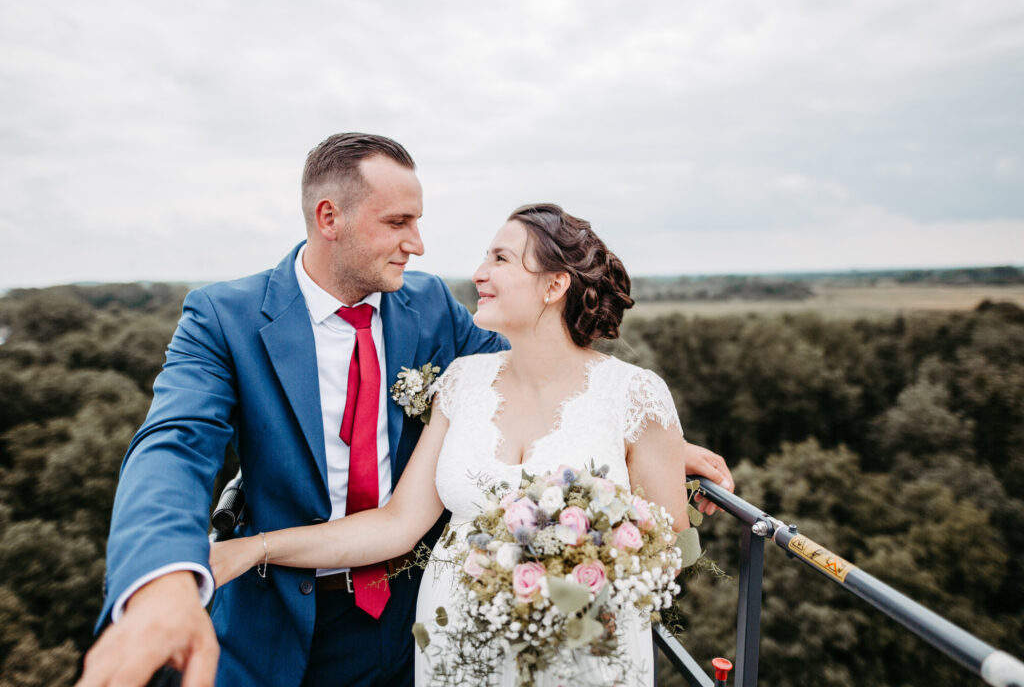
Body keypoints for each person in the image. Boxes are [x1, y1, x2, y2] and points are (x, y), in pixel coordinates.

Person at [77, 136, 733, 687]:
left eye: (418, 222)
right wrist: (162, 578)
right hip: (272, 619)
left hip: (408, 624)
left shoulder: (432, 309)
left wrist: (656, 444)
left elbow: (553, 380)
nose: (418, 244)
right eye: (398, 223)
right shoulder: (224, 317)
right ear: (329, 218)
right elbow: (171, 448)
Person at [210, 203, 709, 686]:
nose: (479, 274)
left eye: (501, 259)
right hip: (457, 651)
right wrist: (255, 548)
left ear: (555, 285)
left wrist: (574, 573)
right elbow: (396, 525)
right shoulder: (462, 382)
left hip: (581, 654)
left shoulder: (635, 395)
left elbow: (669, 552)